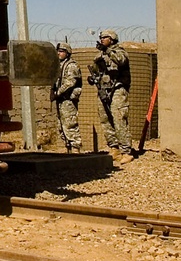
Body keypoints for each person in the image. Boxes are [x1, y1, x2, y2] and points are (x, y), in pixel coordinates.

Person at [89, 29, 133, 163]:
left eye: (105, 37)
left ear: (112, 39)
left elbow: (121, 61)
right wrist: (93, 78)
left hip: (118, 89)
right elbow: (96, 70)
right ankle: (114, 148)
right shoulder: (100, 55)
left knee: (119, 118)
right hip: (104, 90)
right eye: (101, 38)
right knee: (105, 119)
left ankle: (126, 150)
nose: (102, 39)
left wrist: (107, 51)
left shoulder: (120, 52)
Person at [51, 43, 83, 153]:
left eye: (61, 51)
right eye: (58, 51)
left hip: (68, 99)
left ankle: (75, 149)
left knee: (70, 123)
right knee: (61, 125)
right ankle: (68, 147)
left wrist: (57, 93)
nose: (58, 53)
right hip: (61, 99)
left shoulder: (71, 66)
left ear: (67, 53)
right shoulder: (59, 65)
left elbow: (70, 83)